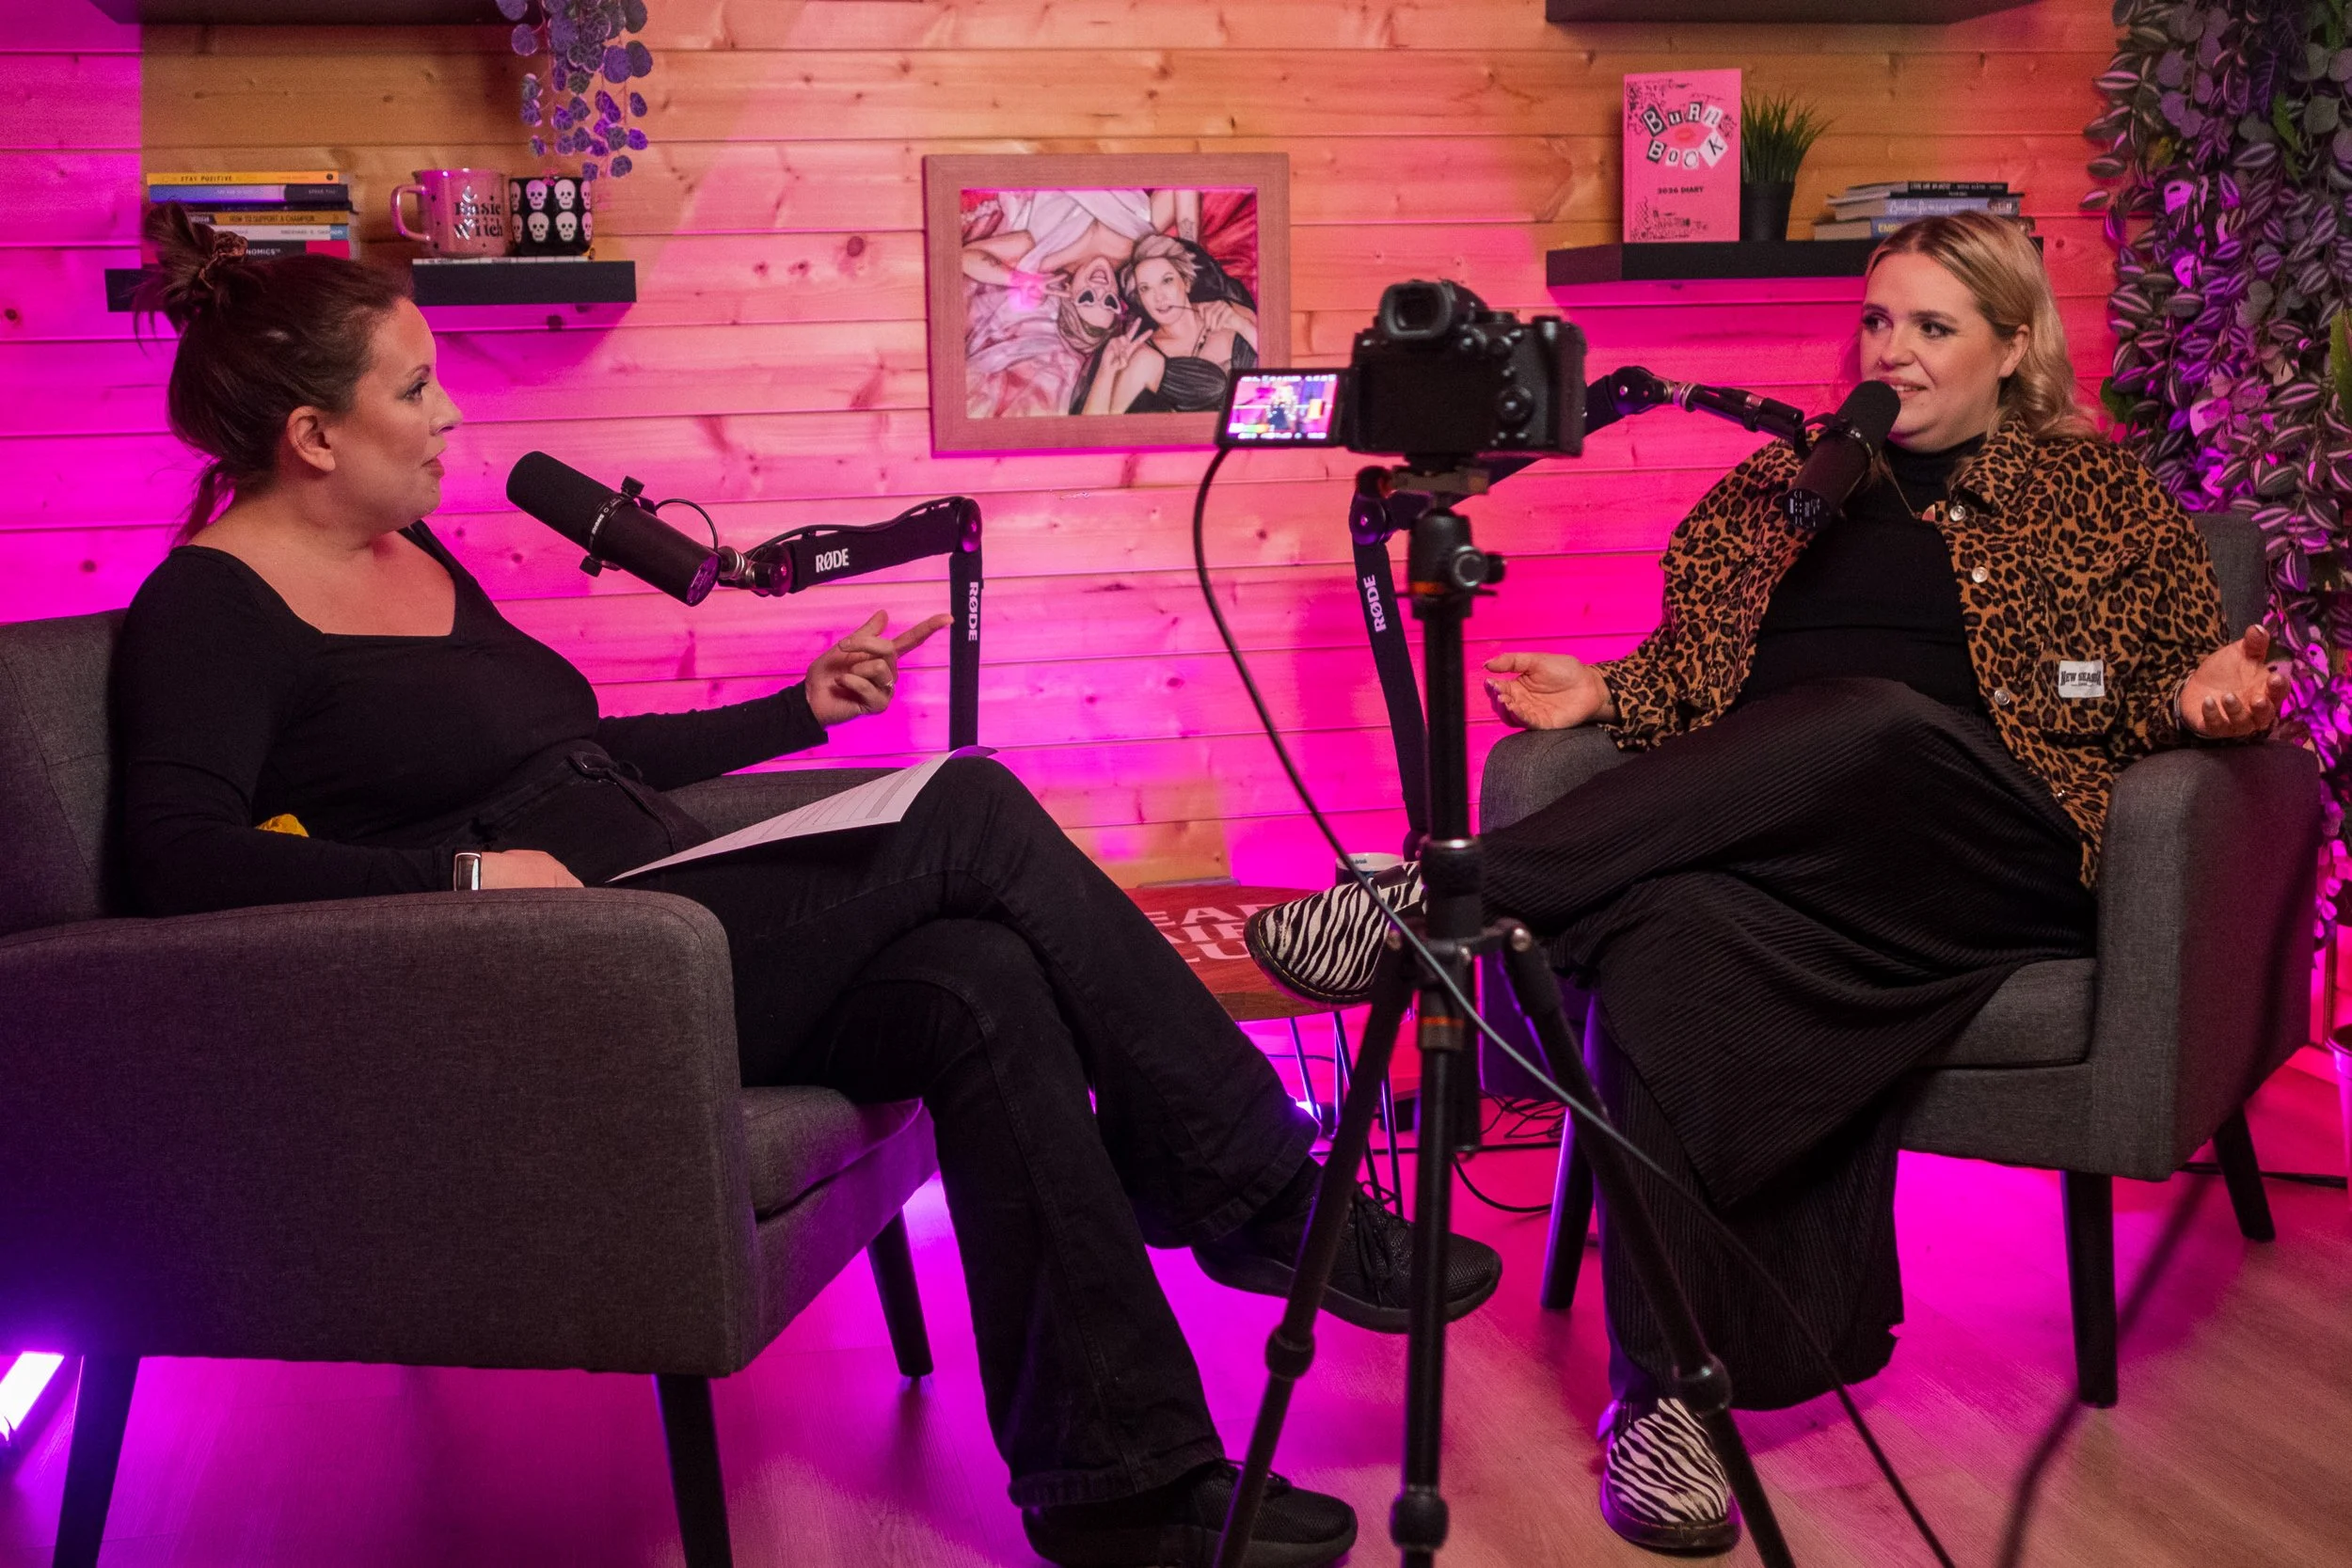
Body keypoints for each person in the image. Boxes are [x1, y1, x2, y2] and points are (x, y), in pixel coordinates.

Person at [115, 207, 1506, 1568]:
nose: (449, 417)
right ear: (313, 436)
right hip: (559, 979)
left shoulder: (413, 554)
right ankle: (1257, 1183)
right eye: (415, 389)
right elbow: (174, 856)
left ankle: (1124, 1484)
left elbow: (571, 753)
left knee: (983, 977)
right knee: (968, 798)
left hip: (667, 909)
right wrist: (467, 875)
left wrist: (797, 710)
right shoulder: (211, 607)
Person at [1244, 211, 2287, 1555]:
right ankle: (1668, 1398)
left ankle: (1435, 899)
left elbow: (2128, 686)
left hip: (1977, 846)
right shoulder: (1790, 492)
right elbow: (1698, 683)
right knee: (1669, 939)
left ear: (2014, 346)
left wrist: (2206, 697)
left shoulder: (2093, 498)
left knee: (1872, 718)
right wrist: (1608, 690)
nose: (1891, 352)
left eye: (1932, 326)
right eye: (1876, 320)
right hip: (1795, 867)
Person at [1079, 234, 1260, 415]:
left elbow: (1280, 360)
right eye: (1145, 288)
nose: (1159, 297)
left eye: (1167, 281)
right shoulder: (1145, 358)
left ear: (1187, 282)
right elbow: (1095, 433)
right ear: (1140, 299)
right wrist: (1106, 372)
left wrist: (1241, 325)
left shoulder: (1229, 311)